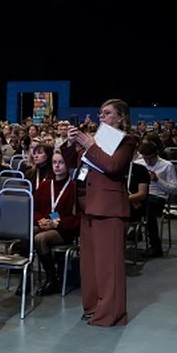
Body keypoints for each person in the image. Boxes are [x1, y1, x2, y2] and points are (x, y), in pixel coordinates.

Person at [62, 98, 138, 327]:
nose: (101, 117)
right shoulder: (97, 139)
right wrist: (69, 144)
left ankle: (111, 314)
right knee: (91, 264)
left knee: (109, 266)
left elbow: (113, 166)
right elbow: (72, 165)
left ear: (120, 117)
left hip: (108, 208)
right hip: (87, 206)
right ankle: (93, 307)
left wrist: (90, 145)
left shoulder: (126, 140)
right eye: (100, 113)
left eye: (106, 113)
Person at [32, 151, 79, 296]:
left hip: (65, 229)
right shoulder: (45, 185)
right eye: (54, 162)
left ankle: (52, 279)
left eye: (61, 162)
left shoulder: (74, 187)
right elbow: (34, 208)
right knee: (30, 231)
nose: (57, 166)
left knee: (40, 238)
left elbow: (78, 217)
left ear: (68, 165)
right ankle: (25, 277)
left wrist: (56, 224)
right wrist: (40, 220)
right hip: (45, 224)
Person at [135, 141, 177, 259]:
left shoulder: (167, 165)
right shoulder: (138, 164)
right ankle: (130, 236)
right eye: (145, 158)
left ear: (156, 154)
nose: (147, 162)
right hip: (140, 195)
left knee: (148, 207)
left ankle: (156, 247)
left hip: (158, 197)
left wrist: (157, 180)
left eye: (150, 158)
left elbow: (175, 190)